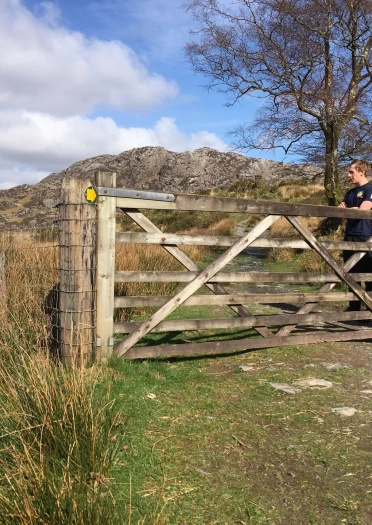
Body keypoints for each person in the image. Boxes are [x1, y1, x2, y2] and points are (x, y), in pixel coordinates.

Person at [339, 160, 372, 311]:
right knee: (351, 274)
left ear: (362, 171)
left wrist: (352, 210)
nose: (348, 175)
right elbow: (340, 210)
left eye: (351, 172)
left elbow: (363, 210)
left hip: (366, 236)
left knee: (368, 274)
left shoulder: (370, 189)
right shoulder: (349, 193)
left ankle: (369, 309)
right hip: (349, 236)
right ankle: (354, 307)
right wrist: (350, 209)